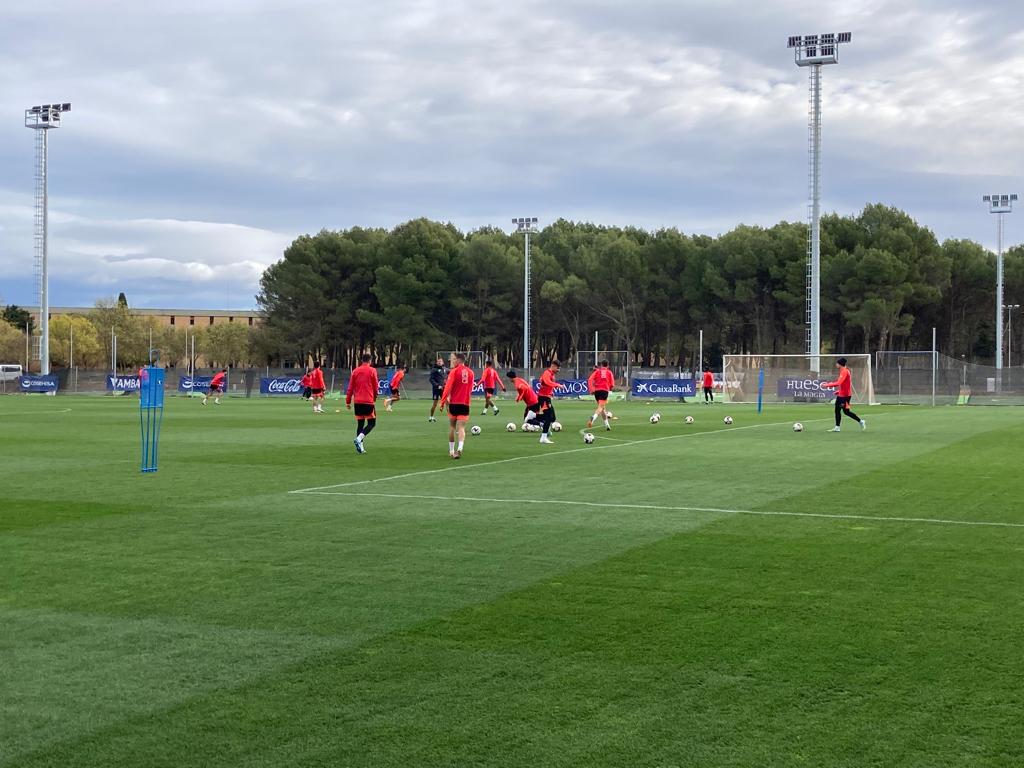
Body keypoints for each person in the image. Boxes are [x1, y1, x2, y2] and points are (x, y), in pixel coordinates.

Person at [440, 353, 475, 459]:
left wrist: (442, 401)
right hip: (465, 403)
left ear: (459, 360)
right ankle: (459, 449)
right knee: (461, 428)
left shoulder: (454, 371)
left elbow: (448, 387)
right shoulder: (471, 372)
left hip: (454, 403)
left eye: (454, 360)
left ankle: (451, 451)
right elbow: (471, 389)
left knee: (452, 426)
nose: (453, 361)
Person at [822, 357, 866, 432]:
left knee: (844, 411)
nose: (836, 364)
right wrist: (839, 391)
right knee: (839, 410)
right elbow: (845, 384)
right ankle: (838, 427)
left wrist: (827, 385)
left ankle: (860, 421)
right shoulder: (843, 371)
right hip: (842, 395)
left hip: (845, 396)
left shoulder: (845, 371)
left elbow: (839, 383)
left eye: (837, 363)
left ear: (840, 364)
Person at [346, 354, 379, 454]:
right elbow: (375, 386)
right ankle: (359, 439)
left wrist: (348, 401)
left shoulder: (355, 371)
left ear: (361, 360)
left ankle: (360, 448)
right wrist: (375, 397)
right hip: (368, 400)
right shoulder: (372, 370)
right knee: (372, 423)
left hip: (357, 402)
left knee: (360, 424)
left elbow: (350, 388)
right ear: (370, 360)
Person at [535, 360, 563, 443]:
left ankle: (534, 416)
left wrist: (551, 391)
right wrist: (557, 385)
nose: (558, 370)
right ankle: (543, 437)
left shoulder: (552, 374)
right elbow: (547, 382)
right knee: (548, 417)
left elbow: (544, 382)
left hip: (546, 397)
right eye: (558, 368)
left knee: (552, 418)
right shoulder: (547, 373)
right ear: (553, 366)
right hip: (543, 398)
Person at [586, 360, 615, 430]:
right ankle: (593, 417)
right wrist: (610, 388)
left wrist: (592, 390)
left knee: (602, 408)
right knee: (600, 408)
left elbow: (590, 380)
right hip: (604, 391)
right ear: (608, 365)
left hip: (597, 391)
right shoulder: (609, 372)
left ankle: (607, 426)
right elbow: (612, 384)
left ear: (601, 365)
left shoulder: (597, 372)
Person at [428, 356, 447, 422]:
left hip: (443, 389)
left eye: (440, 361)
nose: (439, 362)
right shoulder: (434, 370)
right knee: (435, 404)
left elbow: (449, 374)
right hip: (436, 389)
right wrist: (437, 385)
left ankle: (451, 417)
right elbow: (431, 379)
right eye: (438, 361)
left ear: (443, 362)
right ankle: (431, 416)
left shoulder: (444, 369)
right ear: (436, 362)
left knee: (447, 402)